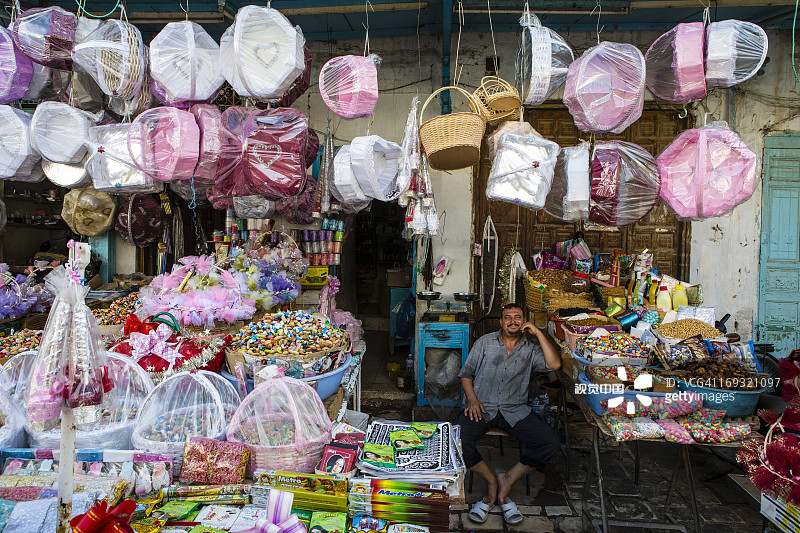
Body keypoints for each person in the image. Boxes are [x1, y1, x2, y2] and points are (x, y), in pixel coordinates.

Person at [458, 303, 562, 525]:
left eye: (518, 317)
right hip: (482, 407)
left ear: (524, 321)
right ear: (501, 321)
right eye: (508, 317)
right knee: (456, 440)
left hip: (514, 410)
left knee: (549, 442)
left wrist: (539, 334)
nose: (513, 321)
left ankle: (507, 479)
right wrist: (472, 399)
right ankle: (491, 482)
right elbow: (466, 373)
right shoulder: (484, 342)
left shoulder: (531, 349)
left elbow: (554, 364)